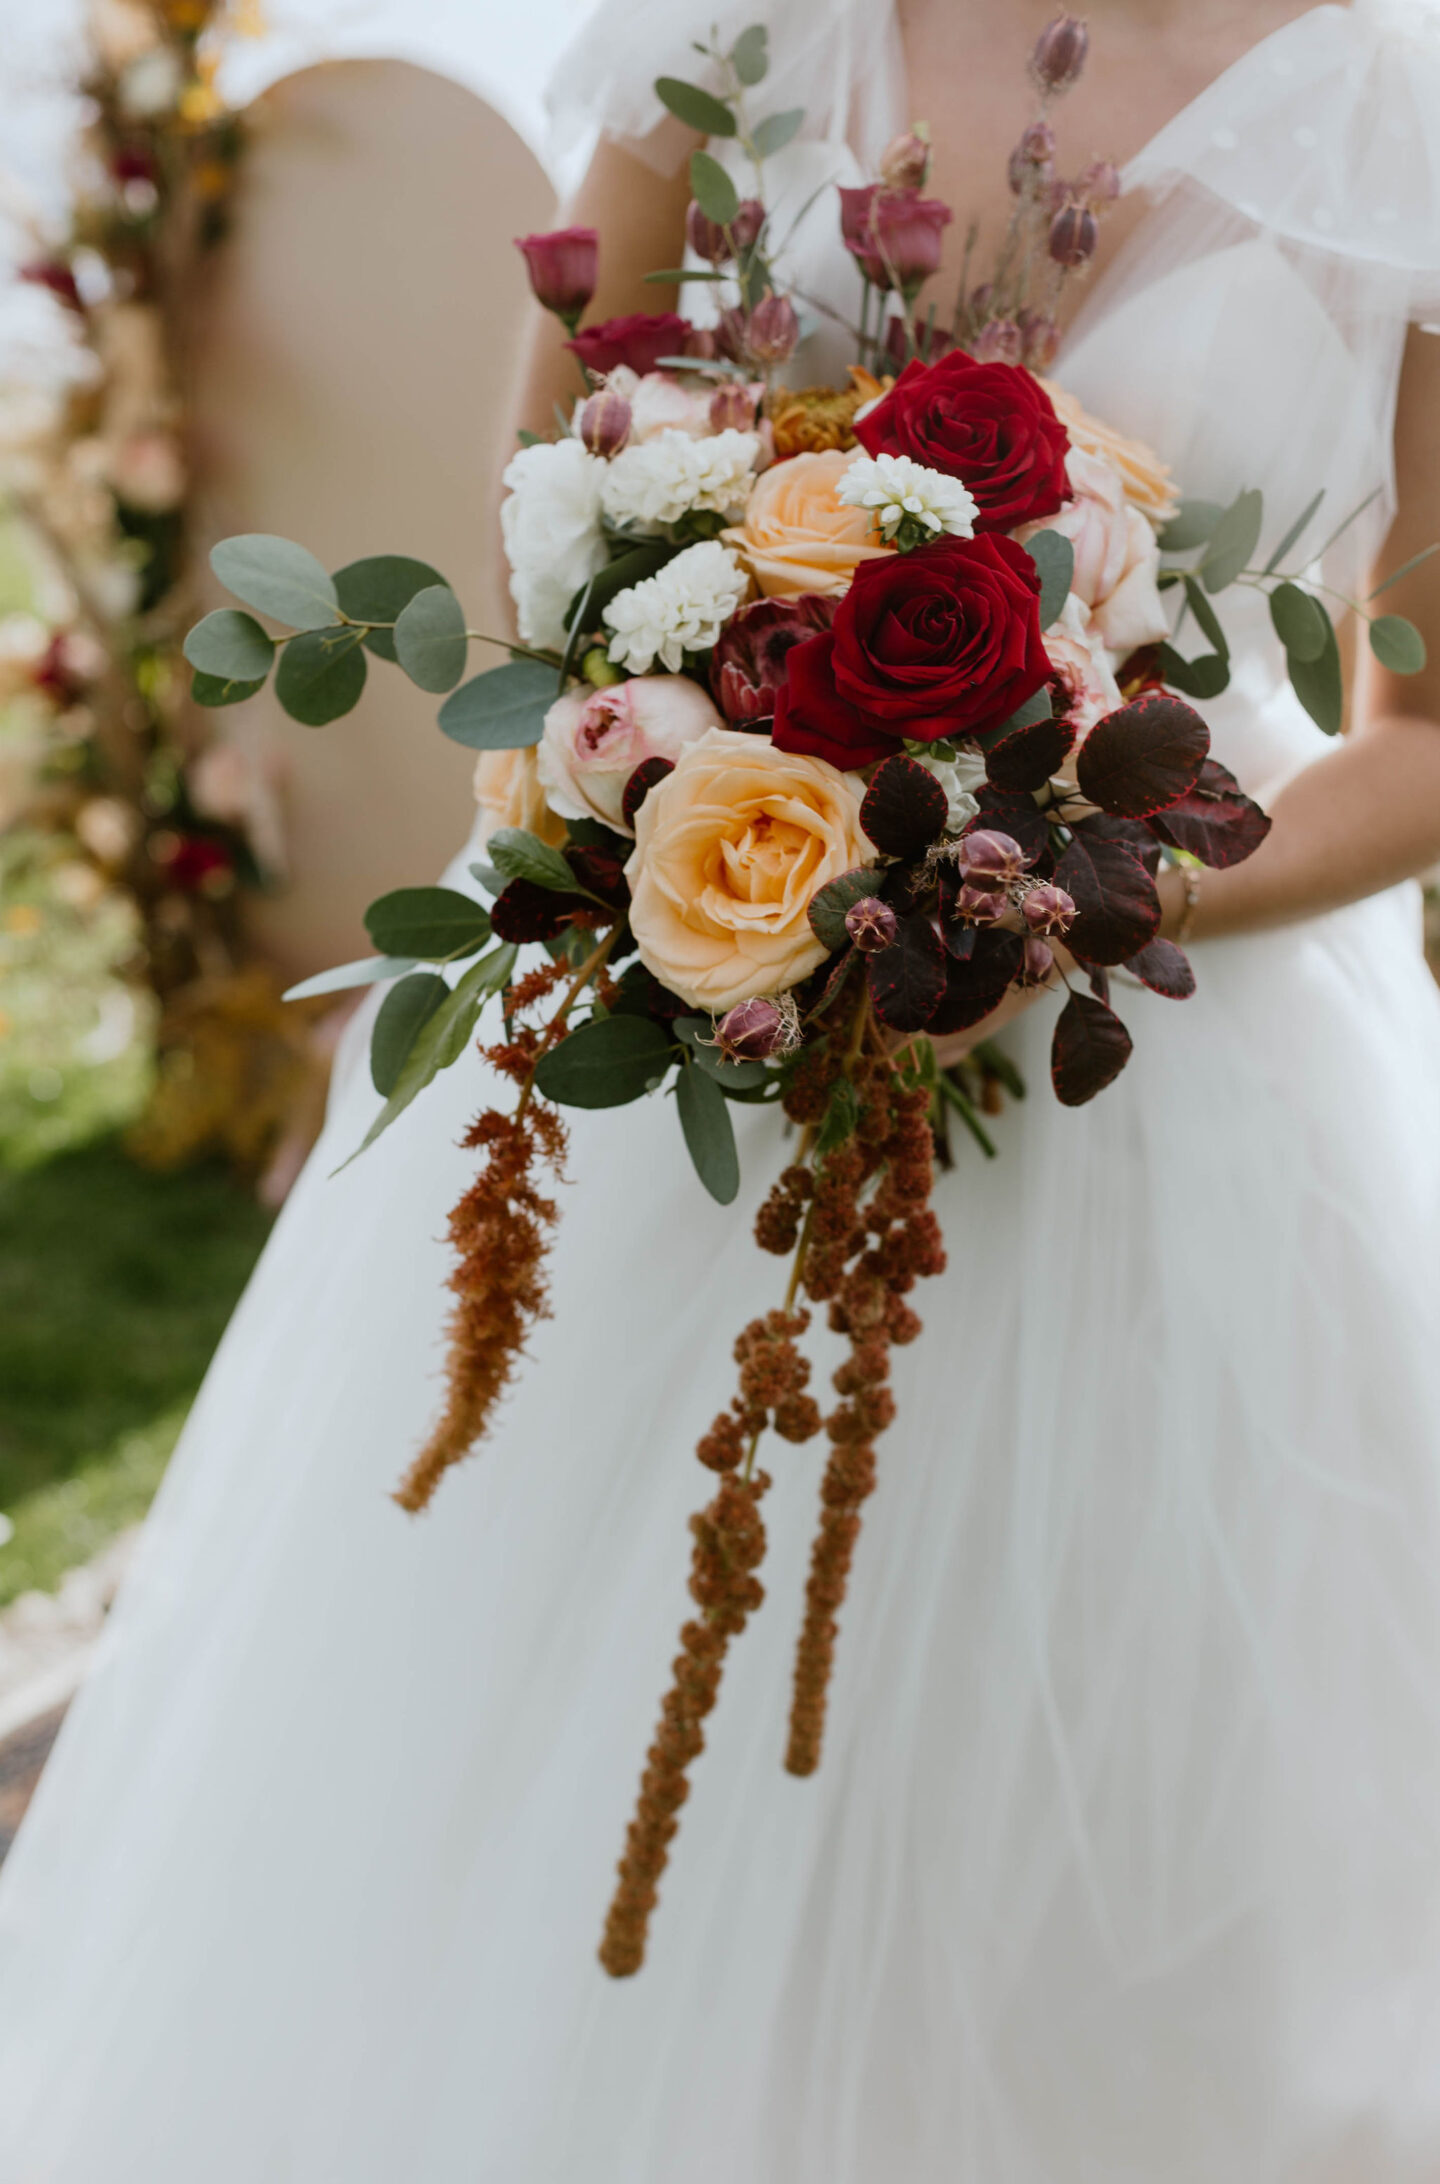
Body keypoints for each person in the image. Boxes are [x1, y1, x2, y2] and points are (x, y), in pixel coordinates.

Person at [1, 1, 1438, 2176]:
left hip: (1138, 1073)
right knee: (508, 1769)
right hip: (684, 983)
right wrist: (699, 767)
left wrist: (1070, 892)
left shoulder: (1401, 122)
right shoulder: (751, 22)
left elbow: (1424, 735)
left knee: (1053, 1835)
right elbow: (549, 496)